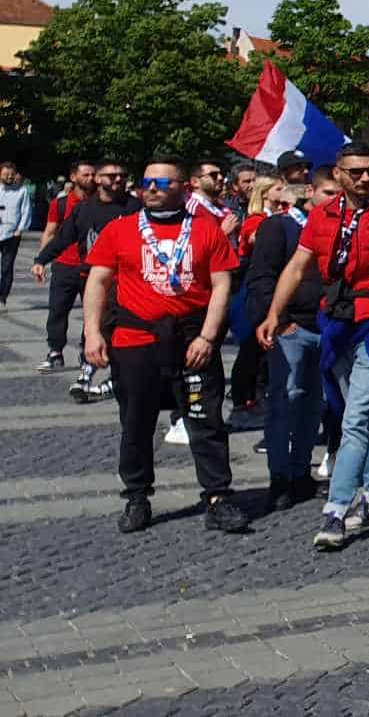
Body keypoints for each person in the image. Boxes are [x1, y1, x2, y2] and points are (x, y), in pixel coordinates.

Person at [259, 142, 369, 550]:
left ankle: (336, 510)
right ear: (338, 174)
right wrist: (273, 314)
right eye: (355, 171)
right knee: (359, 414)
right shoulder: (322, 216)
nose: (364, 178)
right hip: (336, 319)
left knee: (356, 417)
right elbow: (297, 266)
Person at [82, 158, 249, 534]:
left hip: (192, 340)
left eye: (163, 182)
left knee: (205, 420)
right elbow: (98, 282)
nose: (153, 188)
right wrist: (92, 333)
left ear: (182, 188)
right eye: (148, 181)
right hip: (135, 339)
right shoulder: (120, 229)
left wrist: (208, 336)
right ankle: (137, 497)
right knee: (136, 423)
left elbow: (222, 285)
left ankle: (218, 497)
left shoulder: (206, 231)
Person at [248, 177, 335, 511]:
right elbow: (262, 277)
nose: (334, 199)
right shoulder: (278, 227)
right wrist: (277, 320)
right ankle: (279, 476)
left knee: (313, 405)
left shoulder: (338, 226)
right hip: (291, 328)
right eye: (328, 192)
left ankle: (301, 472)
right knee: (285, 401)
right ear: (310, 193)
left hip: (325, 327)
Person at [38, 161, 138, 398]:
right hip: (92, 277)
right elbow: (63, 237)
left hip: (125, 280)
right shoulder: (84, 209)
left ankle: (107, 376)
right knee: (93, 325)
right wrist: (41, 259)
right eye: (111, 175)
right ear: (98, 179)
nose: (117, 180)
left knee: (114, 327)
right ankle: (89, 371)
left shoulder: (135, 207)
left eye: (122, 175)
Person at [33, 160, 97, 370]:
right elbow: (50, 233)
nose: (90, 178)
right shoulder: (60, 204)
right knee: (58, 311)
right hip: (64, 265)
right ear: (73, 177)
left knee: (92, 311)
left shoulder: (100, 203)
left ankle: (86, 352)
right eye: (85, 175)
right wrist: (41, 261)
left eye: (92, 175)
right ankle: (55, 352)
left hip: (92, 268)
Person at [0, 161, 32, 312]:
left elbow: (26, 210)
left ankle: (2, 297)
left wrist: (21, 229)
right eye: (6, 174)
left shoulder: (22, 191)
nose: (9, 177)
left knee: (7, 267)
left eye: (11, 174)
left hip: (12, 233)